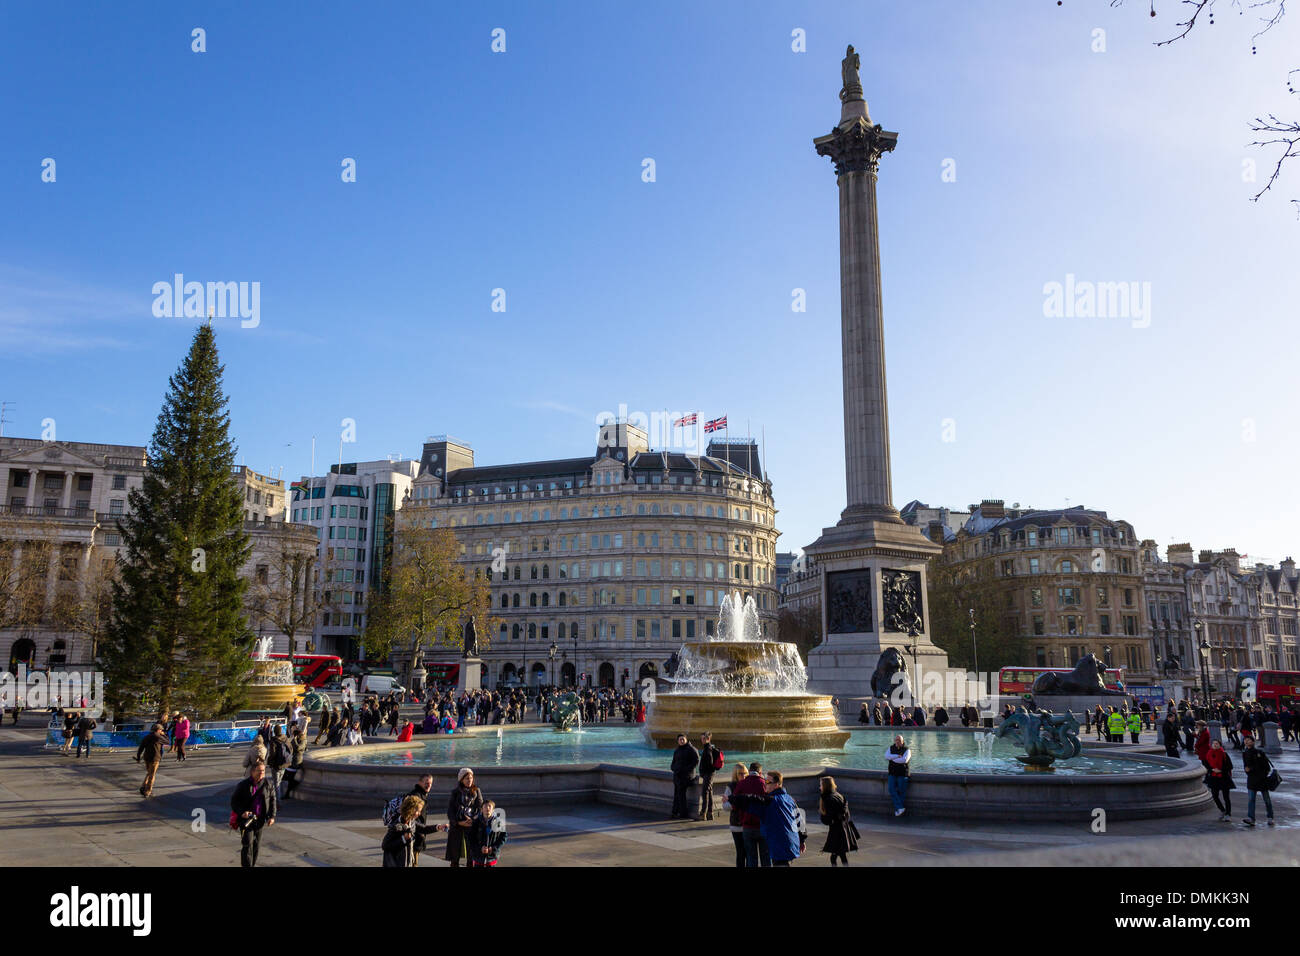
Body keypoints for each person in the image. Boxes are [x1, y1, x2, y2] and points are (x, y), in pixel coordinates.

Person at [727, 770, 807, 866]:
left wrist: (731, 798)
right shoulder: (789, 798)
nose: (765, 784)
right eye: (765, 781)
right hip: (790, 843)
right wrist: (802, 840)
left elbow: (751, 799)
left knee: (780, 863)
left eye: (768, 782)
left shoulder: (770, 802)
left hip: (779, 845)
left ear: (776, 784)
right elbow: (800, 821)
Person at [230, 760, 277, 867]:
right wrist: (242, 813)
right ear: (252, 771)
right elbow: (234, 802)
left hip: (260, 819)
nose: (262, 773)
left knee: (256, 846)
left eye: (263, 771)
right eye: (259, 771)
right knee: (247, 844)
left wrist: (272, 816)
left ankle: (252, 864)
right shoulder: (243, 785)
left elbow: (273, 800)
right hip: (246, 821)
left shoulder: (268, 784)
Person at [407, 773, 448, 865]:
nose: (429, 785)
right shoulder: (416, 797)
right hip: (413, 838)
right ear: (420, 782)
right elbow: (414, 822)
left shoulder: (421, 795)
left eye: (430, 783)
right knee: (412, 863)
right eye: (426, 782)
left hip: (416, 836)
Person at [445, 767, 484, 867]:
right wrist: (458, 822)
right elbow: (450, 811)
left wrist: (473, 819)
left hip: (471, 825)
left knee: (471, 857)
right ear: (461, 780)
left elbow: (480, 807)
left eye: (471, 778)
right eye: (467, 778)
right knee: (454, 857)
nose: (469, 780)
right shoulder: (455, 792)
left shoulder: (477, 790)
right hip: (457, 826)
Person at [735, 762, 770, 867]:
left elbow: (735, 804)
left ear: (749, 771)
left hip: (747, 826)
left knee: (751, 858)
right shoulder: (765, 783)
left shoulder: (741, 784)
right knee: (766, 857)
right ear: (760, 772)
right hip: (763, 826)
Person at [818, 776, 859, 866]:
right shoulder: (839, 795)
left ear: (825, 786)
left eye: (821, 785)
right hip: (843, 828)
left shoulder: (827, 799)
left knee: (834, 857)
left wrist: (827, 820)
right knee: (841, 854)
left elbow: (829, 817)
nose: (819, 787)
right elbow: (846, 814)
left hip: (836, 831)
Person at [1241, 736, 1277, 827]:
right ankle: (1251, 818)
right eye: (1245, 741)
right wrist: (1246, 770)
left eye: (1248, 740)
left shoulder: (1259, 752)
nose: (1246, 742)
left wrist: (1252, 769)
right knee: (1251, 799)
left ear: (1253, 742)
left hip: (1261, 779)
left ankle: (1270, 817)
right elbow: (1245, 765)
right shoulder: (1244, 753)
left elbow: (1266, 767)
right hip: (1252, 779)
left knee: (1266, 800)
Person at [382, 794, 424, 867]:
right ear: (411, 810)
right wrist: (403, 839)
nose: (419, 814)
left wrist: (438, 827)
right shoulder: (397, 826)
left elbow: (424, 828)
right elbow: (385, 845)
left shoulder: (411, 822)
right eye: (418, 811)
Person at [1201, 738, 1235, 822]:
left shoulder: (1224, 754)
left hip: (1224, 777)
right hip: (1214, 777)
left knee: (1226, 797)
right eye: (1213, 744)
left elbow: (1230, 766)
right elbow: (1206, 765)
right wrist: (1212, 770)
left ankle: (1228, 813)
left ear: (1220, 745)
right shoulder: (1208, 754)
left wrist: (1221, 770)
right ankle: (1222, 810)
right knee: (1215, 796)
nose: (1215, 745)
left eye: (1217, 744)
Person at [722, 763, 749, 867]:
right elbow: (725, 806)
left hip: (748, 824)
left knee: (749, 853)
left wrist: (734, 802)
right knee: (741, 853)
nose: (743, 776)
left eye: (745, 773)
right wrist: (736, 805)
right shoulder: (731, 787)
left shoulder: (748, 784)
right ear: (735, 774)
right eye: (740, 774)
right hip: (736, 825)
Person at [469, 799, 508, 867]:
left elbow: (503, 837)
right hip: (478, 856)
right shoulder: (476, 822)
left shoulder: (498, 822)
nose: (487, 808)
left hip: (491, 856)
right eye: (485, 806)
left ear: (493, 810)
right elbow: (471, 838)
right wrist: (479, 848)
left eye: (490, 806)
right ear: (481, 809)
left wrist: (493, 848)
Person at [669, 733, 699, 820]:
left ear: (686, 739)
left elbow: (696, 761)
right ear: (677, 741)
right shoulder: (677, 750)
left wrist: (686, 770)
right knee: (677, 795)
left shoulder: (691, 749)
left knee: (681, 796)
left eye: (683, 739)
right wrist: (673, 768)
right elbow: (673, 762)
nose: (681, 741)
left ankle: (683, 814)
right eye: (680, 740)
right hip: (677, 775)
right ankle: (675, 812)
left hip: (686, 776)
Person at [135, 723, 168, 797]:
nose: (162, 731)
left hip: (146, 757)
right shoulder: (158, 737)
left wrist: (138, 757)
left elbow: (141, 748)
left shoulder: (147, 737)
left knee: (149, 772)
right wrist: (163, 734)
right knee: (152, 775)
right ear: (159, 730)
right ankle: (148, 791)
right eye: (161, 730)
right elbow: (167, 741)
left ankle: (143, 786)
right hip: (155, 758)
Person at [886, 734, 911, 817]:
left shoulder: (907, 750)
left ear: (903, 741)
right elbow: (886, 756)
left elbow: (904, 760)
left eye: (899, 740)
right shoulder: (891, 748)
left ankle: (898, 809)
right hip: (892, 773)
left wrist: (892, 759)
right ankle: (900, 808)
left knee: (901, 791)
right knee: (891, 789)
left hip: (903, 773)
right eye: (896, 740)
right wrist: (896, 756)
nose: (897, 741)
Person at [697, 731, 720, 821]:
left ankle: (703, 813)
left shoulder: (708, 748)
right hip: (709, 774)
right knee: (709, 793)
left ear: (708, 739)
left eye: (703, 738)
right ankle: (710, 813)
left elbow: (710, 763)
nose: (702, 740)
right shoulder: (710, 747)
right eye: (701, 738)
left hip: (708, 774)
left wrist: (703, 771)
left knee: (705, 793)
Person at [266, 725, 291, 794]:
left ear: (274, 731)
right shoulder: (285, 738)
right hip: (285, 763)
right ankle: (278, 797)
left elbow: (272, 753)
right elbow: (291, 750)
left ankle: (277, 801)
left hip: (276, 764)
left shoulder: (273, 740)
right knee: (279, 781)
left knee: (276, 783)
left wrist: (270, 762)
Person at [283, 729, 307, 800]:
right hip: (291, 760)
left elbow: (298, 748)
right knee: (286, 777)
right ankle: (287, 793)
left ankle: (288, 793)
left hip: (297, 761)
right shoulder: (296, 740)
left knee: (290, 778)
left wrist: (294, 740)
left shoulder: (303, 741)